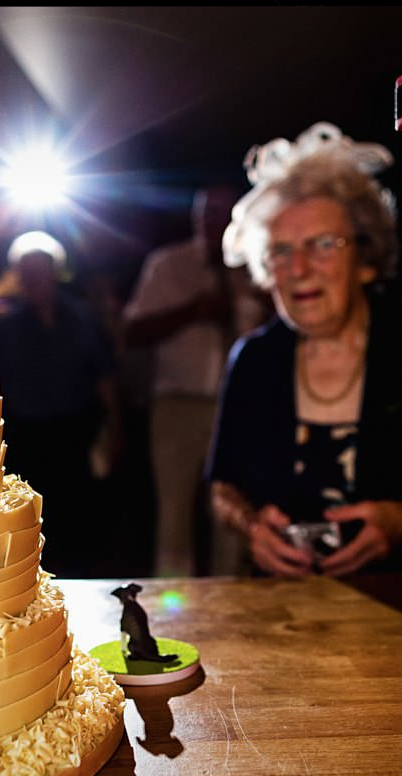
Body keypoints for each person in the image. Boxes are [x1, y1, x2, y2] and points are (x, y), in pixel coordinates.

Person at [207, 122, 402, 579]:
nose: (298, 269)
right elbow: (224, 486)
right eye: (281, 251)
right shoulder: (255, 359)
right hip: (284, 608)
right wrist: (251, 526)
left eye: (322, 245)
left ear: (365, 260)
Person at [122, 185, 268, 577]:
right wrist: (194, 310)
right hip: (178, 404)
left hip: (238, 407)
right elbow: (133, 330)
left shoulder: (254, 266)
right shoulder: (169, 264)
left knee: (232, 511)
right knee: (174, 510)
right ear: (195, 217)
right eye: (205, 212)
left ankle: (230, 598)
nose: (212, 220)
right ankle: (173, 606)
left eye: (222, 211)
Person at [0, 232, 122, 577]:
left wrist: (116, 426)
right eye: (26, 270)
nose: (33, 278)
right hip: (27, 435)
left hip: (75, 430)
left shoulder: (81, 317)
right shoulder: (6, 327)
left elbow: (104, 374)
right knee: (32, 519)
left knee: (78, 516)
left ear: (55, 271)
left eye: (40, 269)